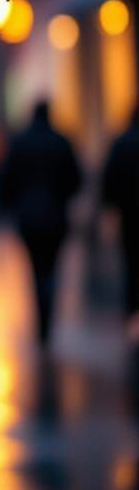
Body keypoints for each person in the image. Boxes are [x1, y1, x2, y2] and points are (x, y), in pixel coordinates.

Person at [0, 101, 82, 346]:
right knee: (52, 266)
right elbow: (75, 180)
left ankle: (40, 316)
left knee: (34, 267)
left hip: (27, 219)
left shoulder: (20, 142)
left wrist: (5, 209)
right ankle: (48, 310)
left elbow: (7, 180)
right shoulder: (62, 142)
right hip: (56, 218)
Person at [101, 107, 139, 341]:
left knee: (132, 263)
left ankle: (132, 314)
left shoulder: (122, 143)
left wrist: (111, 208)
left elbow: (110, 182)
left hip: (130, 216)